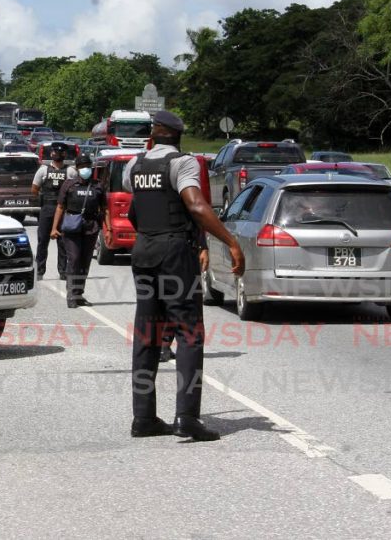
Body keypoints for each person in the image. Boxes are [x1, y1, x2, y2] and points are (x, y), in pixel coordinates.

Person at [122, 110, 245, 442]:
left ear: (151, 136)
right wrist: (231, 242)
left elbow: (135, 209)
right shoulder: (183, 163)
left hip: (144, 251)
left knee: (147, 335)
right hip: (175, 253)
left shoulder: (133, 166)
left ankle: (143, 418)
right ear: (177, 135)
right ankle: (187, 418)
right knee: (190, 334)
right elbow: (196, 205)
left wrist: (151, 234)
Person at [50, 154, 106, 308]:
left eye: (87, 166)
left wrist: (105, 229)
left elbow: (104, 209)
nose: (85, 169)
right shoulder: (69, 185)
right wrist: (54, 228)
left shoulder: (98, 186)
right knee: (74, 259)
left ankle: (79, 293)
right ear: (77, 168)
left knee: (85, 261)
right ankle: (71, 295)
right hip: (72, 226)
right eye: (82, 167)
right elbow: (60, 207)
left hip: (91, 226)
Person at [31, 145, 77, 280]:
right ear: (51, 154)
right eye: (55, 151)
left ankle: (63, 271)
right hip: (47, 208)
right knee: (43, 241)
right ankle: (39, 271)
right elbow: (34, 189)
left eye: (60, 152)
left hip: (64, 210)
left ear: (64, 154)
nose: (57, 154)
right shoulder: (43, 170)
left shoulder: (70, 171)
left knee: (63, 242)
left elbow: (74, 190)